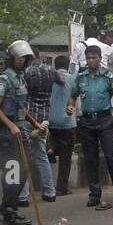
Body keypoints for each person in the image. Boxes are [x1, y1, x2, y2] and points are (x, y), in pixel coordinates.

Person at [67, 42, 113, 210]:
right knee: (90, 159)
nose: (91, 61)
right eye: (88, 58)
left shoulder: (109, 77)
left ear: (100, 59)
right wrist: (71, 106)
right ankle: (95, 194)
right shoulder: (81, 77)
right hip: (86, 122)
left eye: (94, 58)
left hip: (105, 121)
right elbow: (73, 97)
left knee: (111, 158)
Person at [0, 40, 45, 225]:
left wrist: (35, 123)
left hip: (20, 129)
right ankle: (10, 210)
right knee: (12, 171)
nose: (21, 61)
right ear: (11, 59)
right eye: (18, 58)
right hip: (7, 133)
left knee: (25, 168)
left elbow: (21, 107)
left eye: (24, 58)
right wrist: (10, 125)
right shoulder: (4, 79)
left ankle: (8, 203)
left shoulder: (20, 77)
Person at [23, 54, 64, 203]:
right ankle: (49, 192)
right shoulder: (51, 70)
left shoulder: (27, 72)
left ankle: (23, 196)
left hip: (28, 118)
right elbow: (62, 81)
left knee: (24, 156)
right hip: (44, 118)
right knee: (41, 155)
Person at [47, 55, 77, 196]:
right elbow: (76, 99)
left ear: (55, 64)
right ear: (68, 65)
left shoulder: (49, 78)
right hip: (67, 121)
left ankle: (52, 149)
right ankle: (61, 187)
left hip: (51, 120)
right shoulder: (72, 78)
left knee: (55, 143)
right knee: (66, 156)